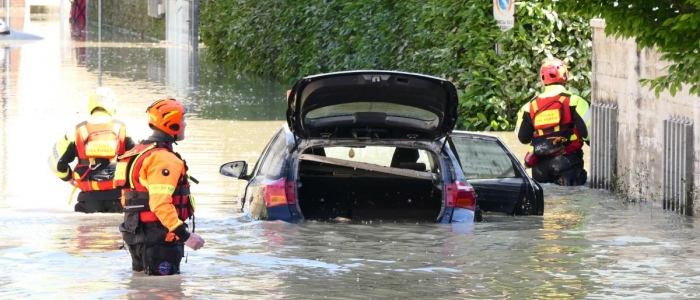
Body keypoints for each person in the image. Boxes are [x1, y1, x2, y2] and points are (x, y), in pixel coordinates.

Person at [116, 98, 204, 276]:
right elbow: (160, 204)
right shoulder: (163, 158)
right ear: (172, 124)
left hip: (134, 232)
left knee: (142, 289)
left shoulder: (135, 152)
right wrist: (186, 236)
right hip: (158, 238)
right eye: (182, 120)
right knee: (166, 292)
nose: (185, 124)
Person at [48, 87, 136, 213]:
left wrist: (69, 178)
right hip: (118, 199)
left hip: (87, 201)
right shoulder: (124, 129)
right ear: (113, 106)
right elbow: (141, 160)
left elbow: (54, 164)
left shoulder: (75, 131)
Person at [515, 58, 591, 186]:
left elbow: (522, 138)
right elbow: (589, 134)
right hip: (567, 162)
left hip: (539, 168)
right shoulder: (575, 101)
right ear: (565, 75)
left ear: (542, 79)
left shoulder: (529, 106)